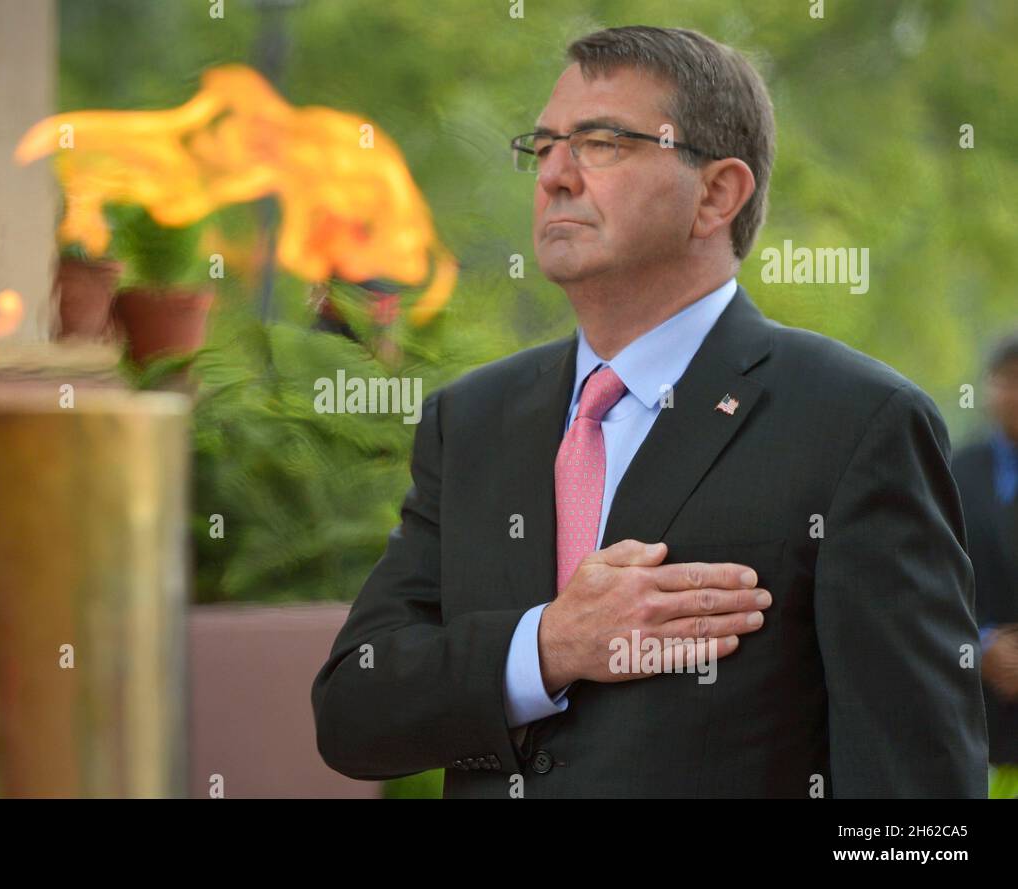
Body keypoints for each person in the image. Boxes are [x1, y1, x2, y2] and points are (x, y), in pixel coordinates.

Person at [311, 25, 988, 797]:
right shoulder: (470, 422)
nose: (555, 175)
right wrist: (548, 646)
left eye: (602, 143)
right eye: (544, 143)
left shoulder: (857, 423)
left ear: (716, 193)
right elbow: (353, 709)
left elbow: (918, 804)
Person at [953, 332, 1018, 798]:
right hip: (974, 701)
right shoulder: (955, 470)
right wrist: (980, 643)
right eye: (1007, 380)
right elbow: (930, 577)